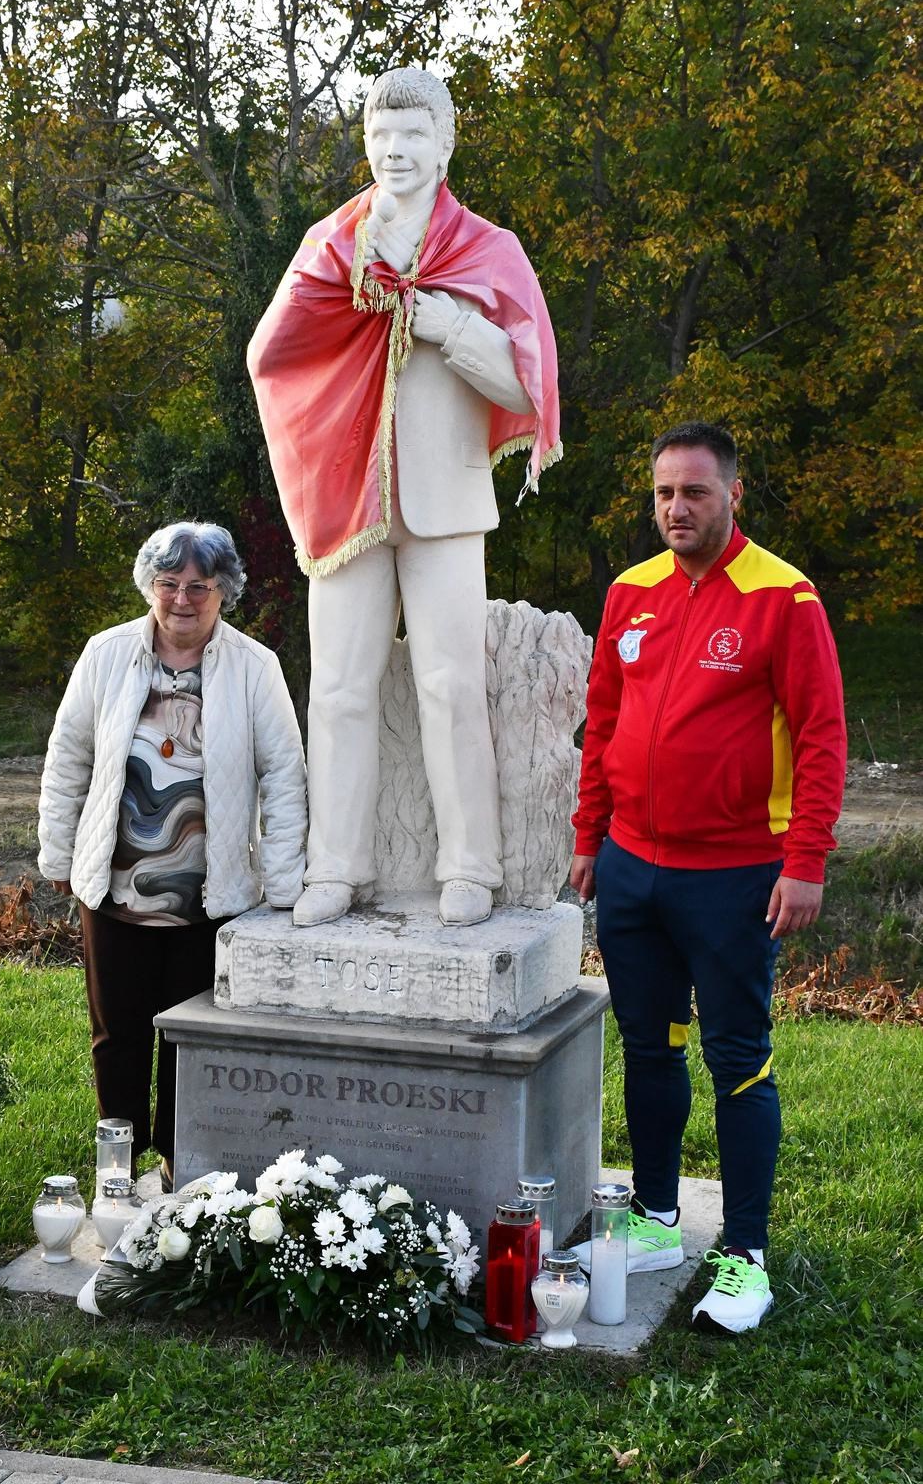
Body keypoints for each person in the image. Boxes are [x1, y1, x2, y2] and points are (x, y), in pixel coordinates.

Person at [248, 67, 560, 931]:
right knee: (338, 690)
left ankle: (470, 865)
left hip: (446, 500)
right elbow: (271, 355)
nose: (395, 151)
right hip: (347, 498)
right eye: (381, 136)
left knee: (451, 685)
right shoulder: (332, 245)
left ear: (445, 145)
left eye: (414, 135)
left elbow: (527, 383)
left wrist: (450, 325)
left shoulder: (487, 249)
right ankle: (335, 867)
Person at [568, 423, 846, 1333]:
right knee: (649, 1047)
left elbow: (820, 735)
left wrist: (804, 861)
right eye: (663, 494)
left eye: (693, 492)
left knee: (736, 1059)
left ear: (733, 493)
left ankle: (744, 1257)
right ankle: (655, 1220)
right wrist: (588, 836)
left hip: (733, 875)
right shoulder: (629, 592)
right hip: (631, 867)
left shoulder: (783, 598)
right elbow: (602, 722)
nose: (676, 509)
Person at [37, 522, 306, 1190]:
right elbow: (68, 757)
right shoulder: (106, 654)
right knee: (116, 1037)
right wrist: (59, 852)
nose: (182, 599)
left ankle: (184, 1173)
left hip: (209, 896)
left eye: (199, 586)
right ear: (149, 585)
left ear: (224, 592)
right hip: (115, 889)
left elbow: (284, 775)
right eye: (169, 583)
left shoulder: (254, 667)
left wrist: (282, 883)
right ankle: (118, 1171)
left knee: (193, 1041)